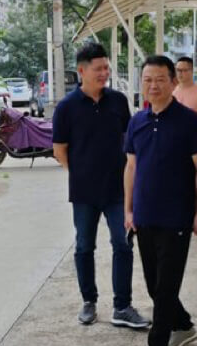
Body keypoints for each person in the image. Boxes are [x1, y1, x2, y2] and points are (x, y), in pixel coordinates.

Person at [124, 55, 197, 346]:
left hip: (177, 217)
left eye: (160, 79)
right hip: (144, 216)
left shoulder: (188, 121)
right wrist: (129, 210)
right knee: (154, 285)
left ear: (173, 82)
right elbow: (131, 167)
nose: (153, 85)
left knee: (164, 289)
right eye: (148, 79)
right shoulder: (137, 121)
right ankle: (184, 325)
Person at [52, 43, 150, 329]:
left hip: (118, 190)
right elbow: (60, 150)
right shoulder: (66, 107)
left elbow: (129, 142)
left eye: (106, 67)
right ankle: (89, 301)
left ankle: (122, 306)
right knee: (84, 246)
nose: (104, 73)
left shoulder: (118, 101)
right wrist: (81, 173)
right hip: (84, 192)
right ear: (82, 71)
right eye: (99, 69)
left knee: (123, 244)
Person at [172, 57, 197, 123]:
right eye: (178, 70)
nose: (180, 73)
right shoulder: (171, 91)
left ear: (192, 71)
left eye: (184, 70)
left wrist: (190, 114)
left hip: (193, 129)